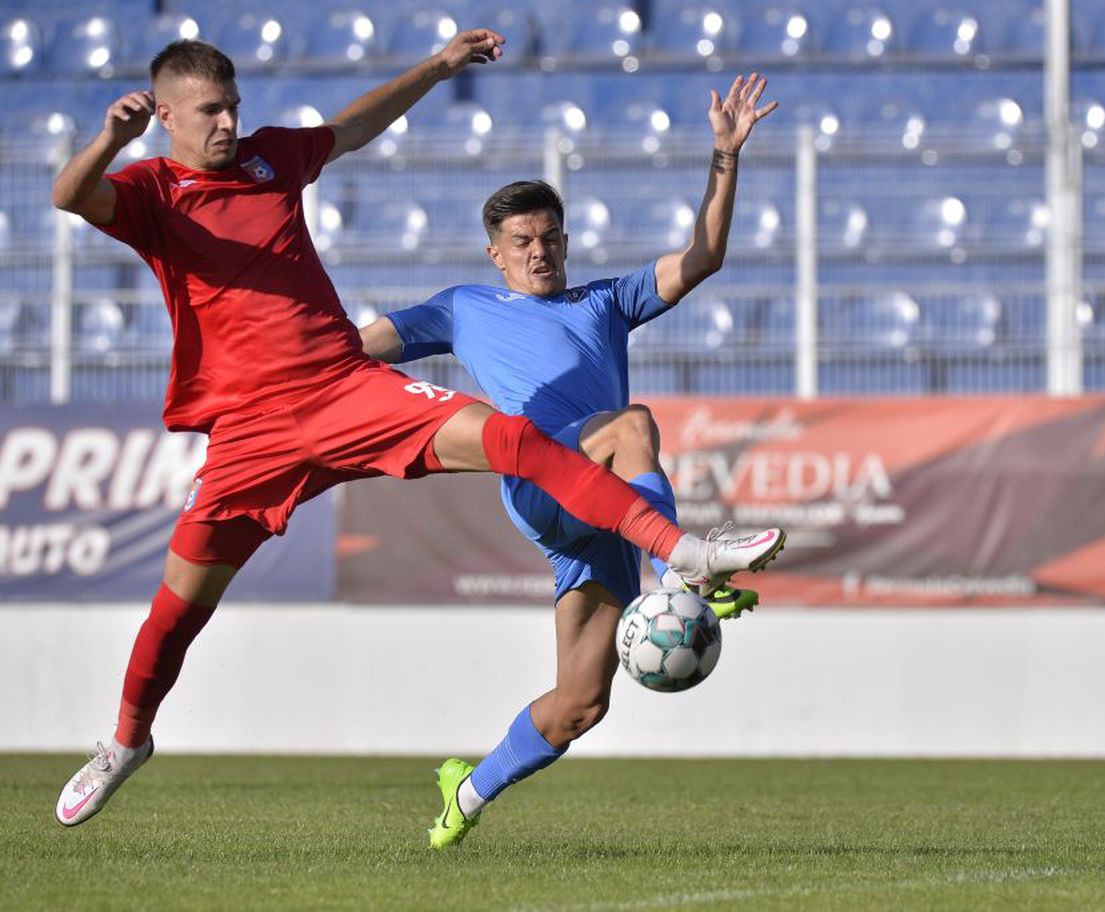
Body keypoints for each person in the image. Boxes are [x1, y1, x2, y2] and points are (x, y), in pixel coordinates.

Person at [50, 40, 785, 828]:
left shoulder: (273, 160)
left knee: (516, 453)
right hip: (251, 427)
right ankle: (126, 742)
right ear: (165, 116)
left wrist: (437, 68)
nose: (230, 122)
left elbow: (353, 127)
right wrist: (107, 142)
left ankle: (681, 556)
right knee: (178, 606)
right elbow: (71, 194)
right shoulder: (152, 191)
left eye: (234, 105)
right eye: (211, 112)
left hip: (343, 392)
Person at [359, 73, 780, 848]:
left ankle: (468, 791)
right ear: (496, 253)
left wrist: (724, 156)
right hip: (540, 481)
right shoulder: (463, 308)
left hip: (611, 522)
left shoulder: (606, 301)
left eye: (550, 238)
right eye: (522, 242)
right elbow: (360, 347)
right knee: (632, 425)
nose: (539, 252)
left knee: (581, 703)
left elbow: (705, 256)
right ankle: (687, 572)